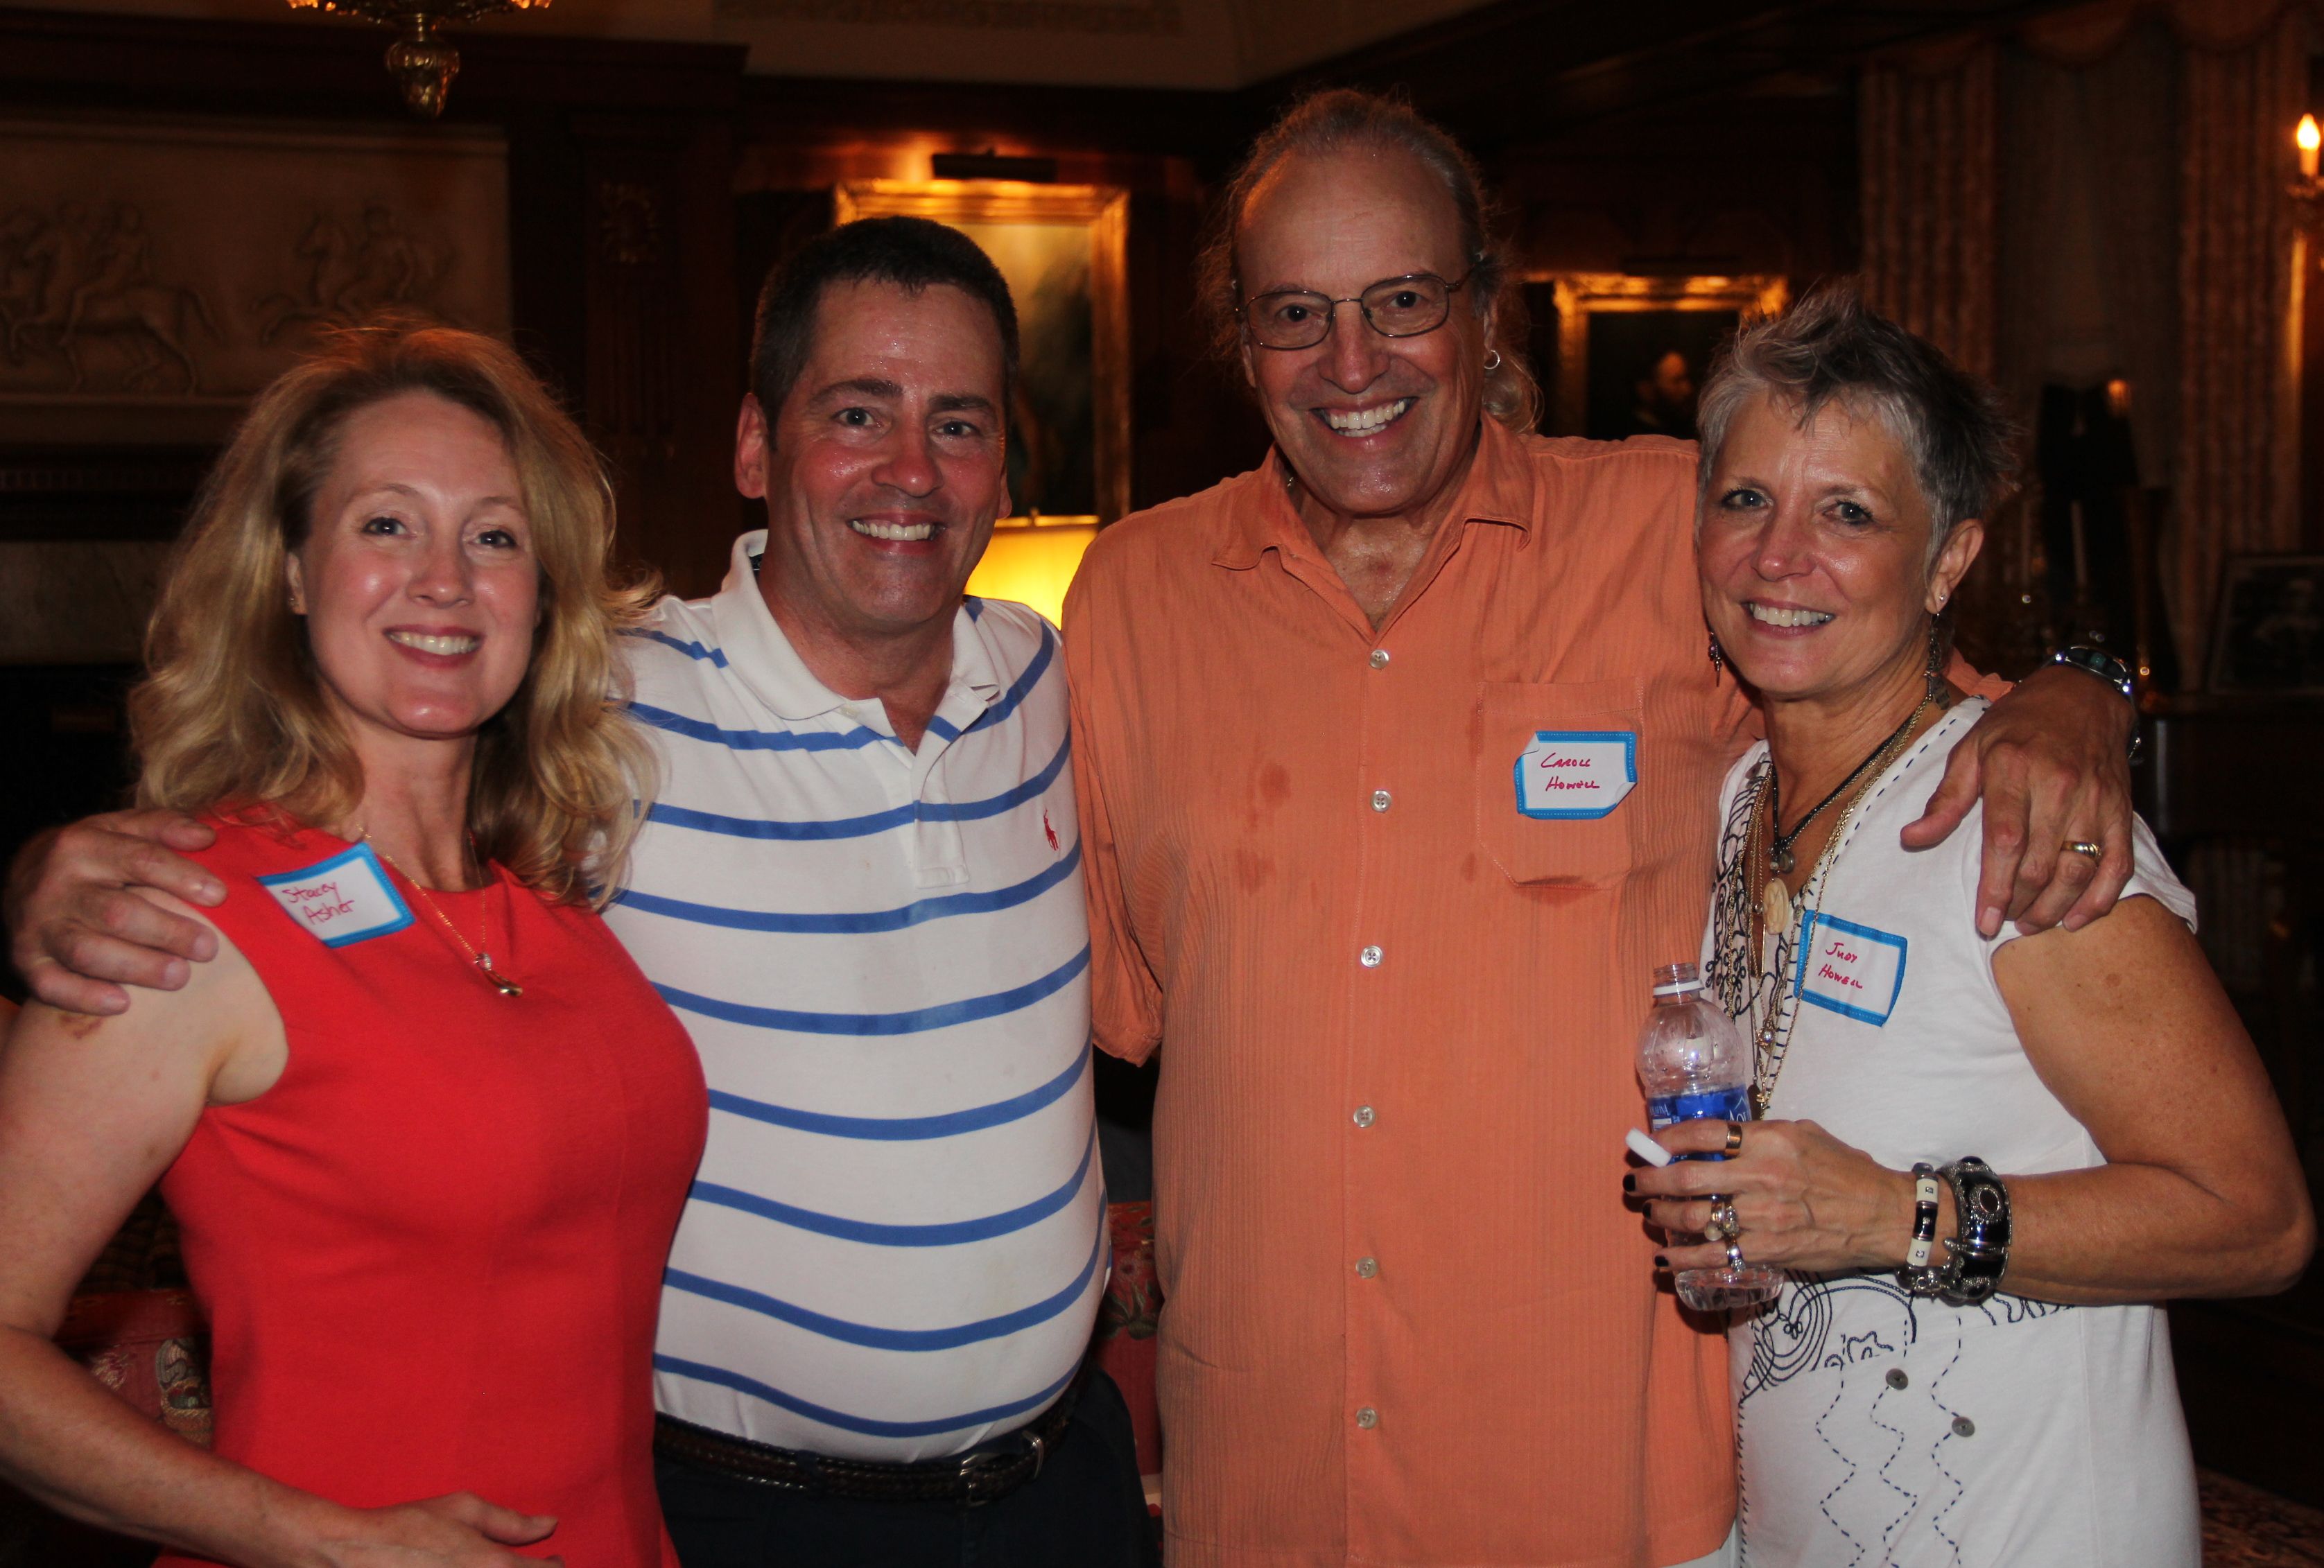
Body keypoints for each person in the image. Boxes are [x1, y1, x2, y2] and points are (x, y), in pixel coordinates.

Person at [1063, 89, 2142, 1567]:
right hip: (1265, 1476)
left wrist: (2076, 696)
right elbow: (1098, 998)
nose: (1352, 364)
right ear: (1238, 341)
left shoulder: (1664, 533)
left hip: (1596, 1480)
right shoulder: (1131, 595)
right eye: (1295, 313)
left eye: (1400, 301)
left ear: (1485, 311)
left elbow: (1922, 708)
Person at [6, 219, 1154, 1568]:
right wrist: (39, 875)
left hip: (1052, 1494)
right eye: (856, 412)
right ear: (750, 447)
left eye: (958, 424)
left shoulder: (1048, 679)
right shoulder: (620, 713)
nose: (911, 469)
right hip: (749, 1520)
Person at [0, 322, 707, 1566]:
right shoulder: (182, 912)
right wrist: (321, 1539)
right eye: (387, 524)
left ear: (540, 598)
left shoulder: (557, 899)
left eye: (494, 536)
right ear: (287, 569)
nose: (445, 579)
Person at [1631, 289, 2312, 1566]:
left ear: (1949, 560)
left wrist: (1896, 1214)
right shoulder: (1735, 803)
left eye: (1849, 512)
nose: (1780, 557)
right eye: (1744, 500)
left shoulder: (2016, 827)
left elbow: (2259, 1218)